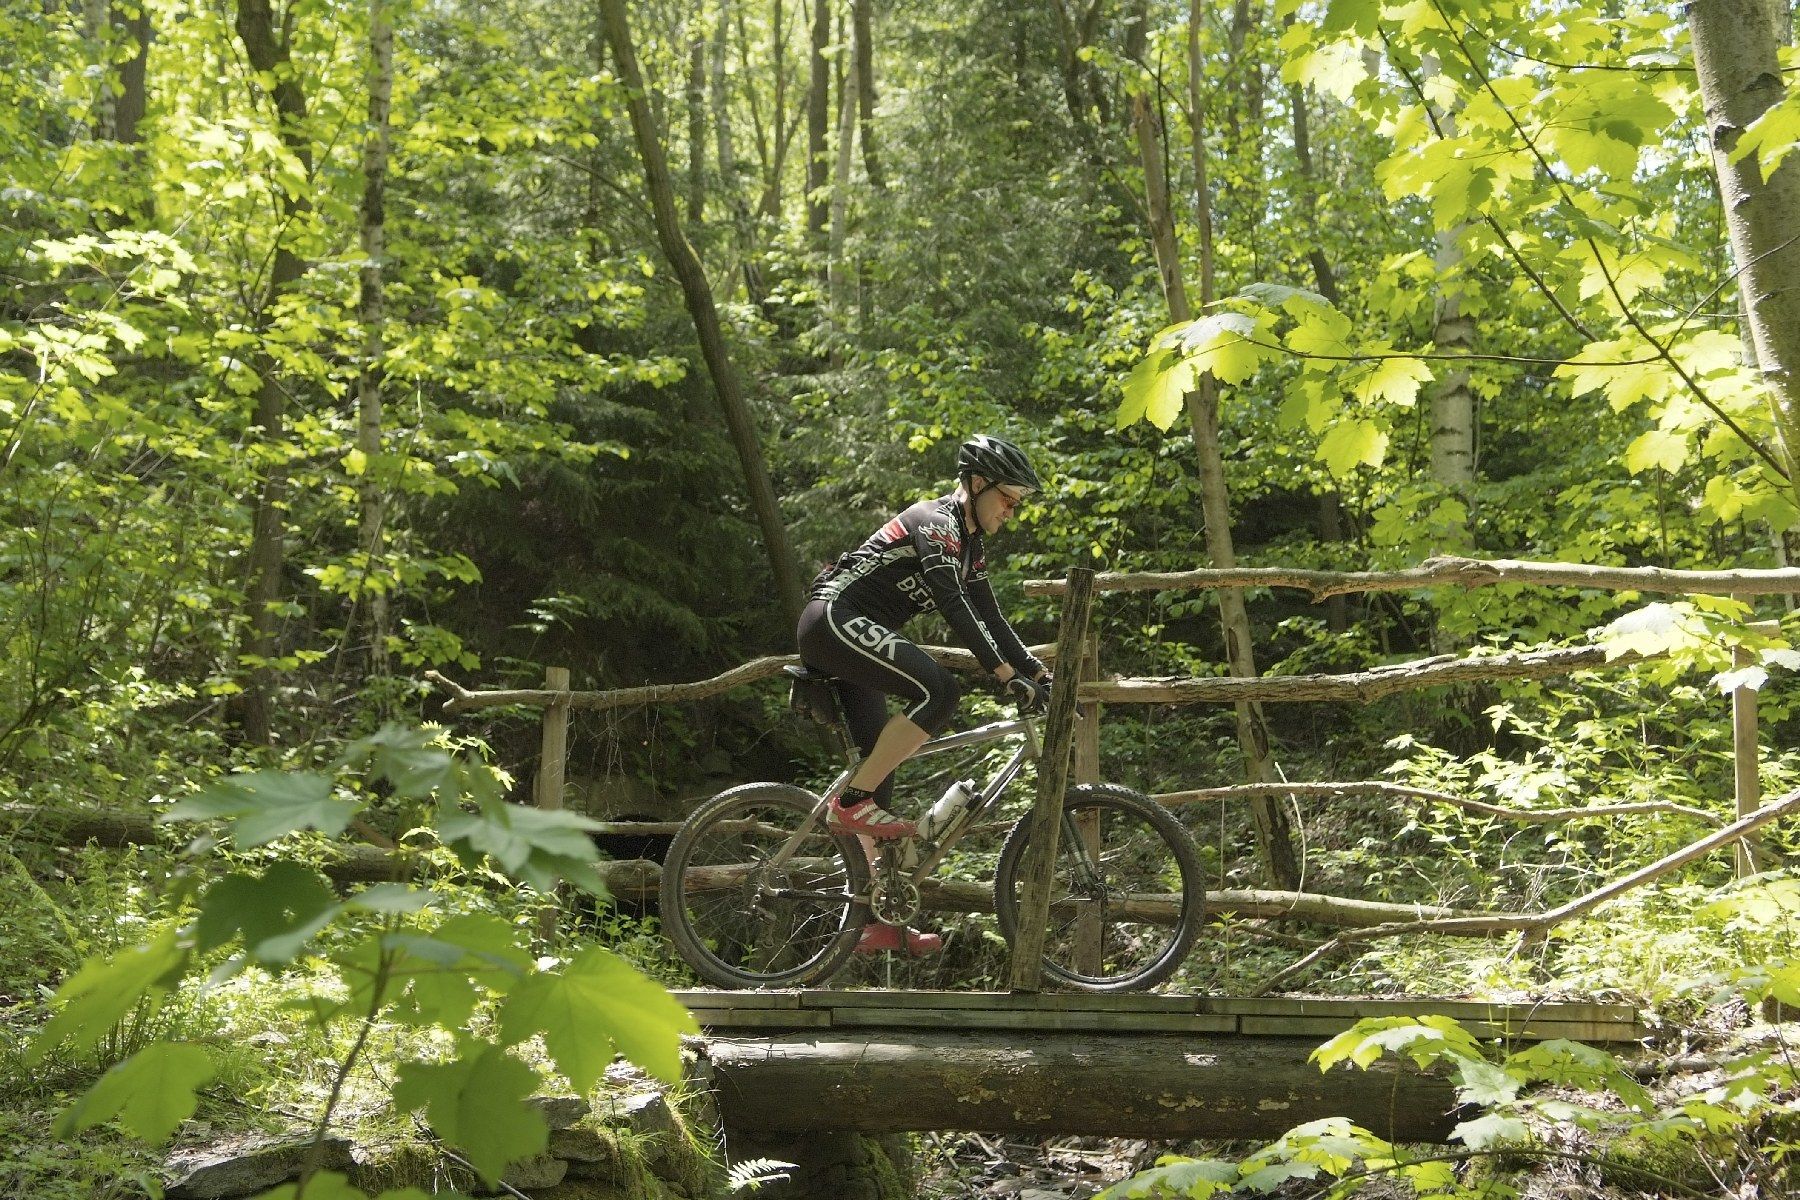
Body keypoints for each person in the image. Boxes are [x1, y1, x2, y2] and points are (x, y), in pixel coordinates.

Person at [796, 434, 1053, 956]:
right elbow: (956, 609)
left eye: (1017, 502)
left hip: (855, 634)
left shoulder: (970, 546)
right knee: (941, 691)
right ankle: (850, 803)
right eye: (1007, 497)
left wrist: (1037, 672)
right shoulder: (935, 524)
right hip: (833, 619)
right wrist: (1005, 674)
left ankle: (876, 921)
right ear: (976, 483)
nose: (1011, 510)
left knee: (880, 772)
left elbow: (991, 615)